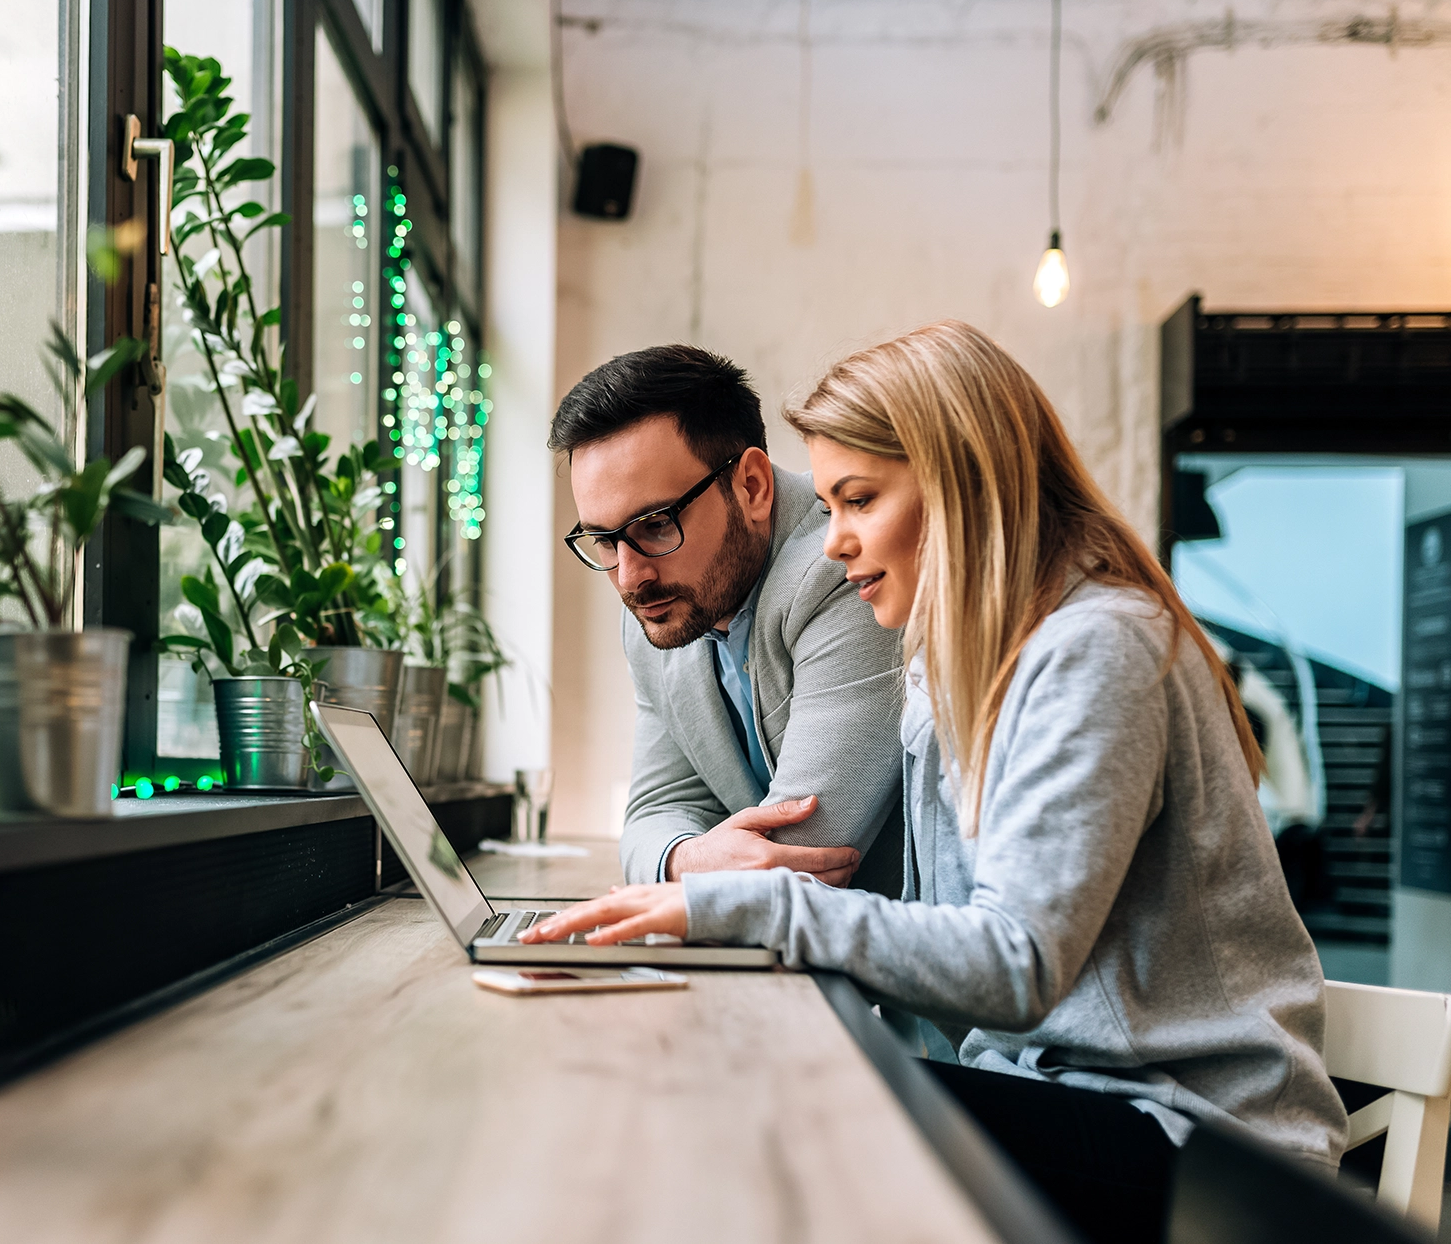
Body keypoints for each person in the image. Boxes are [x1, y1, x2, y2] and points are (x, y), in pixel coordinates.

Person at [525, 322, 1347, 1244]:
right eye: (830, 505)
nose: (833, 543)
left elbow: (1017, 964)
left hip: (1203, 1147)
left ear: (965, 487)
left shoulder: (1098, 647)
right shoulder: (959, 664)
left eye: (859, 500)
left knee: (768, 1115)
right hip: (1063, 1096)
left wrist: (730, 903)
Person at [548, 345, 906, 893]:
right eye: (604, 541)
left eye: (656, 525)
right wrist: (683, 860)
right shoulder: (664, 607)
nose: (628, 578)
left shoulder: (850, 569)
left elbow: (803, 854)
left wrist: (687, 868)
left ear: (752, 487)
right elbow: (655, 811)